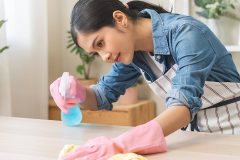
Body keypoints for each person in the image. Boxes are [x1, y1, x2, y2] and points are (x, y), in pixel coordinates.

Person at [50, 0, 240, 159]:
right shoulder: (134, 52)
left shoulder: (187, 33)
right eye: (96, 53)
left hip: (233, 133)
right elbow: (102, 96)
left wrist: (120, 144)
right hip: (193, 137)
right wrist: (79, 92)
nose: (104, 57)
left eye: (100, 43)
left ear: (120, 18)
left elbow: (182, 107)